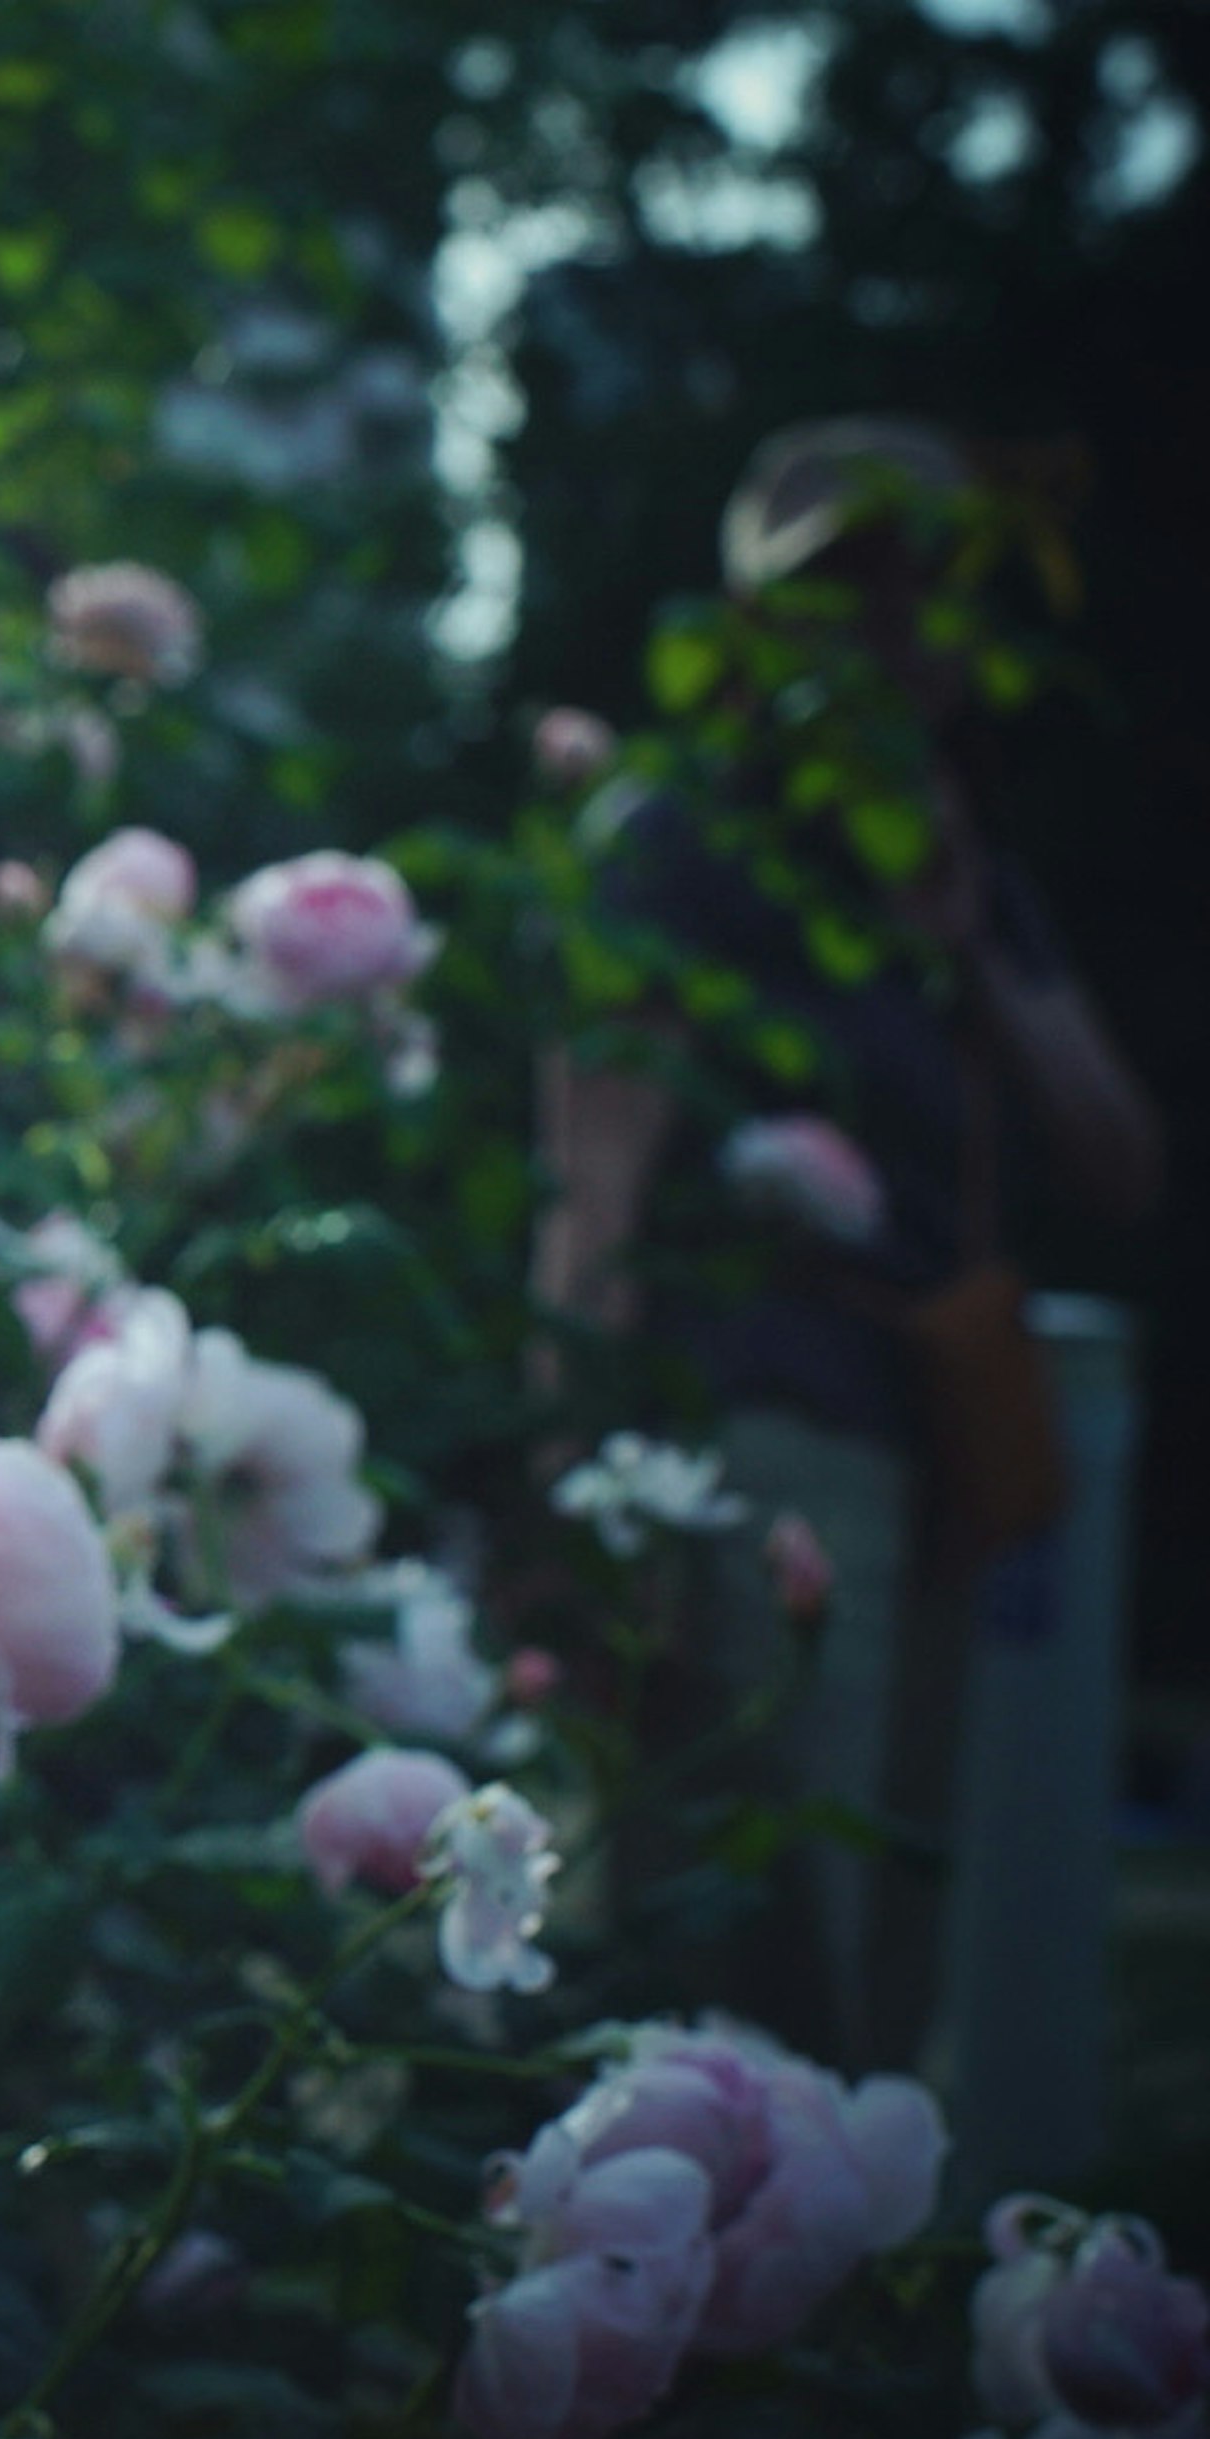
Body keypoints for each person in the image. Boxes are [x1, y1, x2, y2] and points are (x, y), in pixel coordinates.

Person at [534, 417, 1168, 2077]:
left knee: (894, 1918)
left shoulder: (961, 874)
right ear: (759, 626)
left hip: (937, 1445)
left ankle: (837, 2287)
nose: (889, 630)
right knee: (748, 1907)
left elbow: (1119, 1163)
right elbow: (593, 1173)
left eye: (923, 587)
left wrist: (971, 947)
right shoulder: (688, 840)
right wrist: (572, 1453)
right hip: (753, 1424)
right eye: (845, 591)